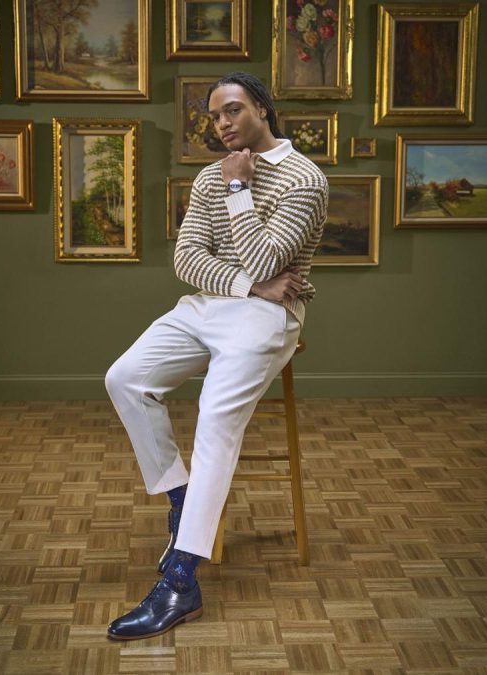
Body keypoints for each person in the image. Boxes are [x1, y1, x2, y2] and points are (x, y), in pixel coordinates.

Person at [104, 71, 328, 641]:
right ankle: (182, 501)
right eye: (215, 116)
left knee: (215, 420)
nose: (222, 123)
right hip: (215, 304)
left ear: (263, 109)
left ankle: (182, 580)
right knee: (125, 378)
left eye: (233, 110)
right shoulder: (211, 175)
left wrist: (238, 189)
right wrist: (250, 284)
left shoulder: (305, 179)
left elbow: (265, 256)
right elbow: (188, 260)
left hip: (269, 318)